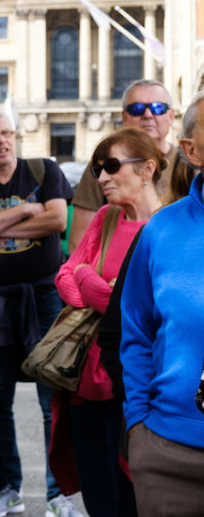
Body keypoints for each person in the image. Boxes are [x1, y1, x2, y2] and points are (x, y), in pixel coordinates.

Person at [0, 108, 76, 517]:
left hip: (44, 300)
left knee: (50, 401)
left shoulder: (44, 171)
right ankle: (9, 488)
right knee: (0, 399)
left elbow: (58, 219)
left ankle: (57, 494)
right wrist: (27, 212)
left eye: (7, 133)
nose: (3, 141)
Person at [53, 128, 164, 516]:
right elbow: (64, 276)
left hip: (135, 386)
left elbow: (140, 311)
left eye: (112, 166)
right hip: (85, 379)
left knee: (131, 493)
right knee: (96, 489)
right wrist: (95, 281)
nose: (101, 178)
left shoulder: (168, 226)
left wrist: (88, 277)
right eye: (99, 168)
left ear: (148, 168)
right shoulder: (106, 216)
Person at [121, 89, 204, 517]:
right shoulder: (161, 230)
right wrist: (139, 426)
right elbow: (134, 333)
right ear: (191, 150)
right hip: (168, 455)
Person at [69, 80, 177, 253]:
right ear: (124, 117)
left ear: (171, 116)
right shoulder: (102, 166)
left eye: (158, 108)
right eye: (137, 109)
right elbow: (78, 244)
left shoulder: (189, 165)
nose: (148, 115)